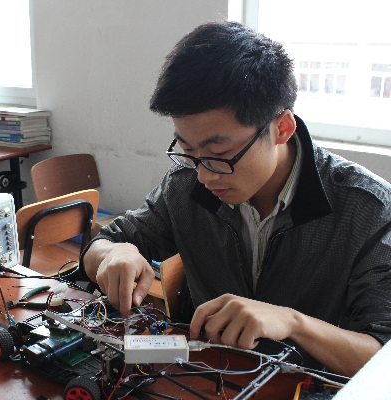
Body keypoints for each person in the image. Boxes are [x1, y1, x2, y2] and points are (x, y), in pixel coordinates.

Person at [81, 21, 391, 377]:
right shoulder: (185, 185)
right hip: (206, 375)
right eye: (188, 150)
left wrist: (294, 323)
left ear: (281, 128)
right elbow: (102, 243)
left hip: (302, 386)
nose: (205, 175)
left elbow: (382, 355)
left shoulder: (368, 210)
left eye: (220, 153)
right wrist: (113, 253)